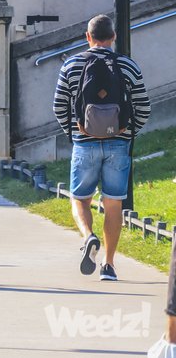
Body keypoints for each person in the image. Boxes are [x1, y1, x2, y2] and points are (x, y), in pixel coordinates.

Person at [53, 14, 150, 281]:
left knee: (79, 199)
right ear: (113, 37)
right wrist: (126, 133)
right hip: (118, 144)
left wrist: (74, 134)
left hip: (84, 144)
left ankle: (89, 237)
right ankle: (108, 265)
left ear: (88, 36)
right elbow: (143, 107)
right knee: (113, 204)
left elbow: (59, 106)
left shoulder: (71, 65)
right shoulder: (127, 65)